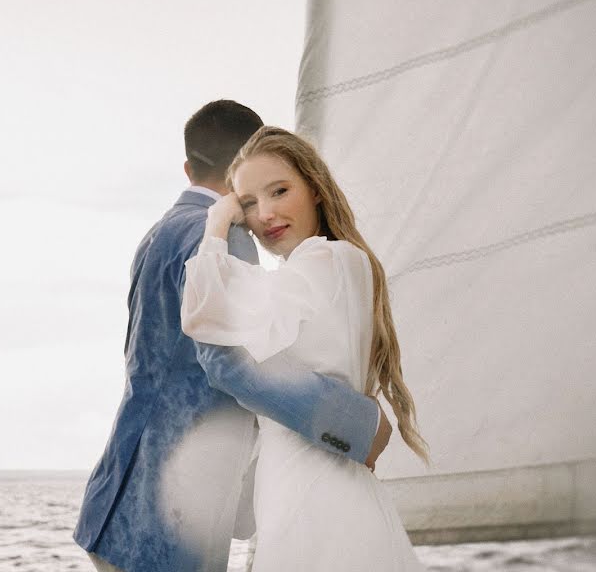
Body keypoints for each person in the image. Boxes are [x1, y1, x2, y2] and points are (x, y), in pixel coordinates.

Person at [73, 101, 394, 572]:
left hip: (118, 498)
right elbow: (230, 363)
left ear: (189, 167)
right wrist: (358, 425)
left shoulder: (156, 236)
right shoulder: (220, 239)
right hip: (172, 517)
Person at [181, 125, 430, 571]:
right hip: (313, 489)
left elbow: (204, 313)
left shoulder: (326, 260)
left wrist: (218, 224)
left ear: (315, 189)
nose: (267, 214)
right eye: (251, 203)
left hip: (315, 498)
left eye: (280, 191)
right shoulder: (333, 266)